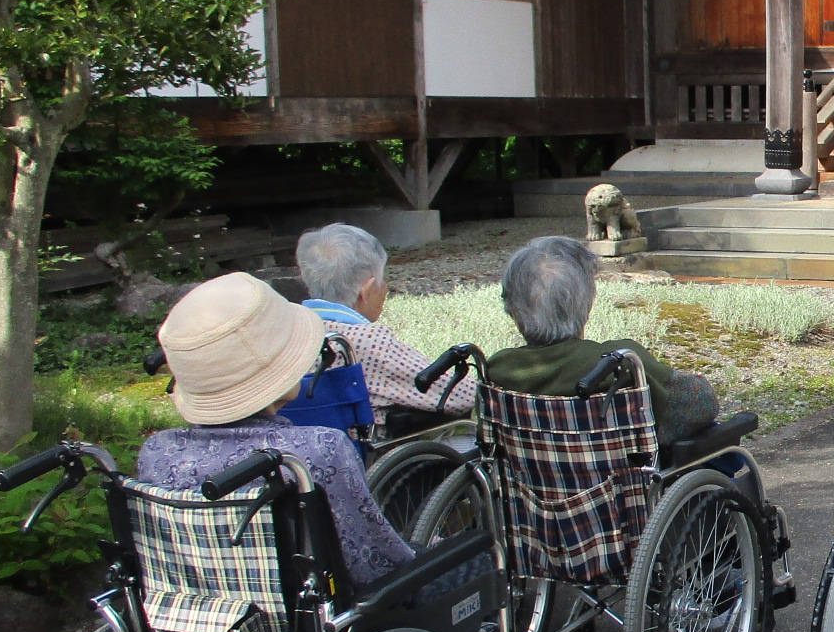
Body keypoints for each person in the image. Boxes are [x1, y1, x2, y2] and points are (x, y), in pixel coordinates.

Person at [139, 272, 435, 588]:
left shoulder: (158, 453)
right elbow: (375, 565)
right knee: (472, 560)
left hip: (203, 615)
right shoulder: (314, 451)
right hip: (317, 621)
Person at [485, 235, 719, 444]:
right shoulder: (621, 362)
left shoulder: (498, 369)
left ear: (514, 313)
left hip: (530, 488)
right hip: (616, 489)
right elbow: (701, 405)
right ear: (587, 305)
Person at [295, 222, 474, 422]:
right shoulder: (370, 343)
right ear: (368, 289)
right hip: (361, 449)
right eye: (382, 280)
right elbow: (465, 396)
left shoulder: (285, 328)